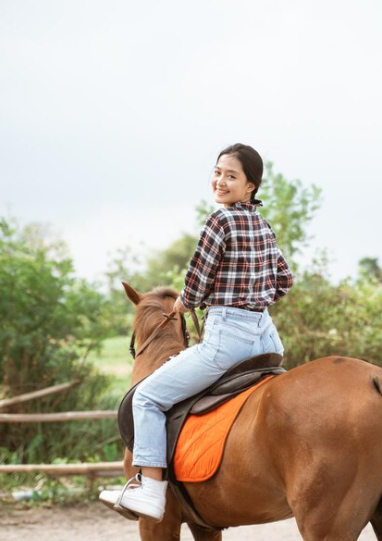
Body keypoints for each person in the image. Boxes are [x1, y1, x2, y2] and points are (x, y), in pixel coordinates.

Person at [99, 143, 293, 522]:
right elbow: (285, 280)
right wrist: (256, 296)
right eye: (218, 172)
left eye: (231, 175)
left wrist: (183, 304)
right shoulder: (262, 225)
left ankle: (152, 491)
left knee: (147, 398)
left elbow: (198, 281)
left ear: (251, 185)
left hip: (227, 340)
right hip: (267, 338)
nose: (221, 181)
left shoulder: (219, 221)